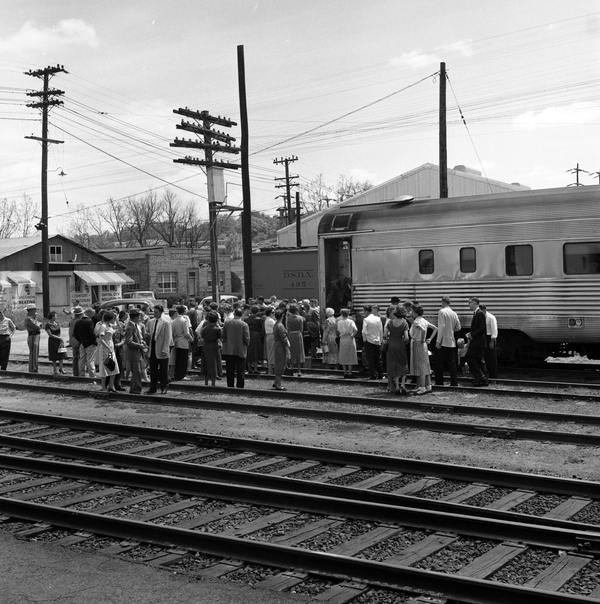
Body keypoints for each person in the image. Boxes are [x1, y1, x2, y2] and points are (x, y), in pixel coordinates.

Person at [409, 304, 438, 395]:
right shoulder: (424, 320)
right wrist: (429, 339)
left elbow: (423, 330)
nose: (412, 313)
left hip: (418, 343)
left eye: (413, 311)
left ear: (416, 313)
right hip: (424, 345)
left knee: (420, 366)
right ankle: (429, 386)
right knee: (426, 365)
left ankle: (422, 388)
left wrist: (422, 339)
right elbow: (435, 329)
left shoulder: (416, 322)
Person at [434, 296, 461, 387]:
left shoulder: (442, 312)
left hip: (443, 341)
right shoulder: (454, 313)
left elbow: (441, 327)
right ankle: (454, 382)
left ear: (443, 302)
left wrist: (438, 341)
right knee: (452, 363)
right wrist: (451, 331)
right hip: (451, 341)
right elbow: (458, 327)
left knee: (439, 362)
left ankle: (439, 382)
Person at [145, 305, 172, 395]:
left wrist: (165, 349)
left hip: (162, 348)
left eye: (156, 312)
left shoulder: (166, 322)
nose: (154, 314)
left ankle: (164, 387)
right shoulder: (150, 322)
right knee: (153, 369)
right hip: (153, 347)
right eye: (154, 312)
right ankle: (153, 387)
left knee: (164, 370)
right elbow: (148, 332)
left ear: (161, 312)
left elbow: (168, 337)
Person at [222, 307, 250, 389]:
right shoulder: (244, 324)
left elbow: (223, 335)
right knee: (240, 370)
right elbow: (247, 338)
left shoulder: (227, 323)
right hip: (240, 349)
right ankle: (240, 386)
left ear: (234, 314)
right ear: (241, 315)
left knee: (230, 369)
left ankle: (230, 385)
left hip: (229, 349)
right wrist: (246, 344)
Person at [383, 306, 409, 394]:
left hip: (391, 345)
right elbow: (406, 337)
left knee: (394, 365)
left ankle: (397, 386)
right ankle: (403, 385)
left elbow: (385, 334)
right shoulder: (404, 323)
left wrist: (389, 337)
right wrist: (404, 341)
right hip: (400, 345)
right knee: (403, 363)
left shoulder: (390, 322)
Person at [465, 297, 488, 387]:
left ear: (474, 303)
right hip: (478, 341)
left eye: (469, 303)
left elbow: (482, 328)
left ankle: (480, 376)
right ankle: (483, 380)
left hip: (478, 342)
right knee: (479, 360)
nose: (469, 304)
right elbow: (478, 328)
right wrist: (471, 333)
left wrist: (472, 335)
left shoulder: (479, 313)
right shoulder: (477, 313)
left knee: (469, 356)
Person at [124, 308, 146, 394]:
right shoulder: (130, 327)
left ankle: (134, 389)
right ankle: (136, 390)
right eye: (139, 316)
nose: (140, 318)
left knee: (137, 372)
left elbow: (136, 338)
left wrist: (141, 342)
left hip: (136, 352)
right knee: (137, 372)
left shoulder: (134, 325)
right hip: (134, 353)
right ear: (136, 317)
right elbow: (128, 342)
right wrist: (140, 345)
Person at [97, 311, 119, 392]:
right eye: (114, 318)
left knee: (113, 366)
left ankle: (111, 385)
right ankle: (103, 387)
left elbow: (119, 328)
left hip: (111, 347)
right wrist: (108, 348)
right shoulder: (103, 326)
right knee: (104, 367)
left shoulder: (110, 325)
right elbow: (101, 340)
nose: (115, 319)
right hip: (105, 349)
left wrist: (116, 319)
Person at [171, 305, 194, 381]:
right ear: (184, 312)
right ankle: (181, 375)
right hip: (183, 341)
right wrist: (191, 339)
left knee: (178, 359)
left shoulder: (173, 321)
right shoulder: (184, 321)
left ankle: (177, 374)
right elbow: (186, 333)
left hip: (176, 341)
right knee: (183, 360)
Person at [199, 311, 222, 387]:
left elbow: (201, 339)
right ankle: (213, 383)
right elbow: (219, 340)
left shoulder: (205, 328)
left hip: (206, 346)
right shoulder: (218, 329)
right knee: (214, 364)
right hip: (214, 346)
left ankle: (206, 382)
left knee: (205, 364)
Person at [362, 305, 384, 380]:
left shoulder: (366, 320)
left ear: (366, 311)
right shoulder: (378, 319)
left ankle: (373, 374)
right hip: (377, 340)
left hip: (369, 340)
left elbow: (364, 331)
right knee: (378, 357)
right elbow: (381, 330)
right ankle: (381, 373)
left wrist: (364, 339)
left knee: (370, 358)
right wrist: (380, 340)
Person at [74, 308, 96, 378]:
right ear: (89, 313)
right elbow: (91, 333)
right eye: (93, 313)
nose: (93, 315)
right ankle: (92, 376)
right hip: (90, 343)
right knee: (90, 360)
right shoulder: (89, 321)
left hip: (82, 343)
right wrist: (94, 342)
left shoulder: (78, 322)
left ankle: (82, 375)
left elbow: (75, 334)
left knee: (82, 360)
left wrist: (80, 340)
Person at [272, 309, 290, 390]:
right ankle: (278, 384)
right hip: (281, 345)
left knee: (278, 362)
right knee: (280, 363)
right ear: (282, 316)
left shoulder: (276, 324)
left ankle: (276, 382)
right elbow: (283, 338)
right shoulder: (280, 325)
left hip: (277, 344)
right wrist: (287, 348)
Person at [286, 304, 306, 377]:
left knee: (291, 351)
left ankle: (291, 368)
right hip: (298, 335)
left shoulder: (288, 318)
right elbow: (302, 329)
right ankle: (299, 370)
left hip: (291, 335)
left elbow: (287, 329)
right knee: (299, 351)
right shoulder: (300, 318)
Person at [337, 308, 358, 378]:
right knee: (350, 355)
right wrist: (352, 335)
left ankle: (345, 372)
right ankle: (350, 372)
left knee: (343, 355)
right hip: (349, 337)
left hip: (342, 338)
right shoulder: (351, 321)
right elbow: (356, 330)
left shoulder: (339, 322)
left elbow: (338, 331)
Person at [480, 303, 498, 379]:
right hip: (484, 337)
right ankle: (486, 374)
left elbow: (494, 330)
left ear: (484, 310)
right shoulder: (481, 317)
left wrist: (492, 341)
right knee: (485, 357)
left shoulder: (491, 317)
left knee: (492, 358)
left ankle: (493, 375)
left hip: (490, 337)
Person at [245, 306, 263, 374]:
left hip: (249, 334)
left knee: (249, 351)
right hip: (256, 334)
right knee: (256, 351)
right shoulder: (258, 319)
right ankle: (255, 369)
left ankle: (249, 368)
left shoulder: (246, 318)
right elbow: (260, 327)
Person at [24, 303, 42, 373]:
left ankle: (35, 368)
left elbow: (40, 325)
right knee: (33, 353)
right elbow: (37, 327)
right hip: (32, 336)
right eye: (34, 309)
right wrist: (38, 324)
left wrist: (38, 323)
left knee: (36, 353)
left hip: (36, 336)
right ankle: (32, 368)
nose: (35, 311)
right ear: (30, 310)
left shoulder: (33, 318)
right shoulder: (28, 319)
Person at [68, 307, 82, 376]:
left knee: (75, 356)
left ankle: (75, 372)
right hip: (80, 339)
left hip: (73, 339)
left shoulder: (71, 321)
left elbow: (70, 332)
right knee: (81, 356)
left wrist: (70, 340)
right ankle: (80, 372)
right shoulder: (80, 321)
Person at [263, 306, 276, 375]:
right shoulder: (270, 320)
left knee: (271, 353)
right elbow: (276, 327)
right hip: (271, 336)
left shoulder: (269, 319)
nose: (274, 313)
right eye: (273, 312)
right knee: (271, 353)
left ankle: (270, 370)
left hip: (270, 336)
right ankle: (270, 371)